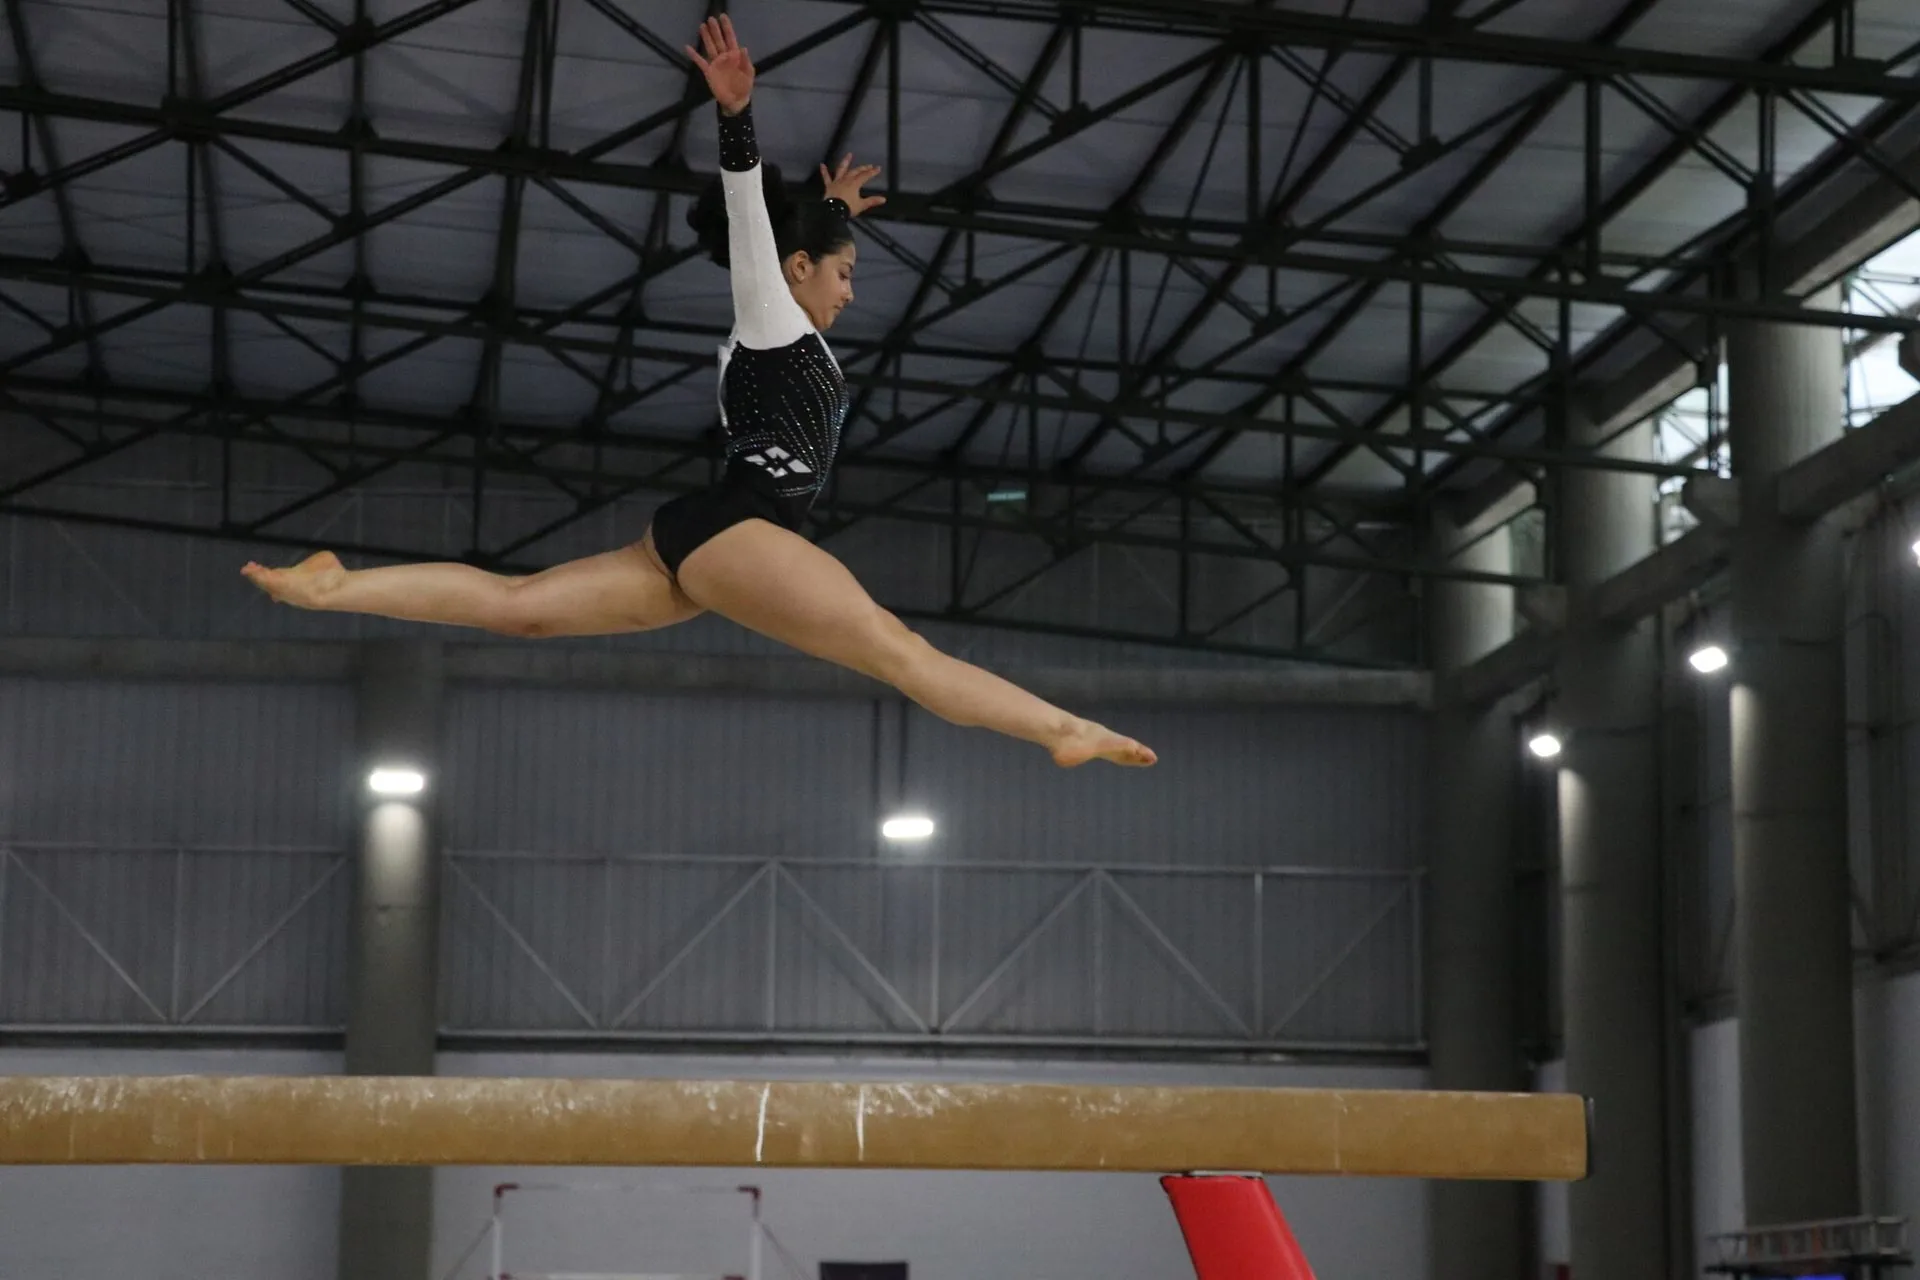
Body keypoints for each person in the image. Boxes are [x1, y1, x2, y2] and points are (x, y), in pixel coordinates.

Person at [241, 15, 1155, 770]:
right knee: (902, 654)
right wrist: (736, 117)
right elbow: (755, 225)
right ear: (797, 270)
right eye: (844, 273)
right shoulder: (773, 317)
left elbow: (786, 246)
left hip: (695, 537)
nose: (850, 293)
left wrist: (835, 212)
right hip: (744, 530)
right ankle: (1062, 728)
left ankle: (335, 587)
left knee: (522, 608)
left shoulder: (780, 326)